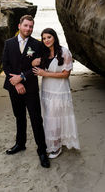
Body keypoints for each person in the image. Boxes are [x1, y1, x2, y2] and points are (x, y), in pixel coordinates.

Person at [2, 15, 50, 168]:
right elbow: (6, 65)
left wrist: (22, 78)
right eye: (26, 25)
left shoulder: (37, 44)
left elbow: (41, 64)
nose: (28, 28)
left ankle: (42, 150)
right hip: (13, 87)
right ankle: (20, 144)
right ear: (19, 26)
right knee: (19, 116)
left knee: (36, 118)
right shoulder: (9, 43)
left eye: (31, 26)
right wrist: (16, 83)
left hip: (30, 87)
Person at [32, 28, 80, 159]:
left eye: (49, 37)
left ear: (54, 37)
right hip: (46, 90)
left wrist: (45, 73)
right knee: (48, 118)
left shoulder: (64, 52)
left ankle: (57, 146)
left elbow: (66, 74)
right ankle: (52, 143)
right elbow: (30, 59)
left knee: (56, 118)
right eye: (44, 38)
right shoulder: (43, 52)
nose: (46, 40)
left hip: (59, 90)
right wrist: (33, 62)